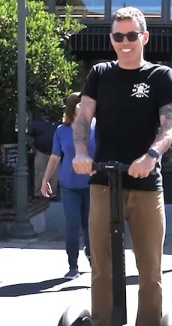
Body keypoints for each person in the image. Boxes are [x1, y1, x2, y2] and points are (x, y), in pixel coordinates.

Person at [71, 7, 172, 326]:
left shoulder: (161, 75)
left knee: (149, 268)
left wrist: (151, 154)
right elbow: (82, 117)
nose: (125, 43)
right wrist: (81, 151)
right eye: (118, 36)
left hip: (147, 184)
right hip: (104, 181)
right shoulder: (100, 74)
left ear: (144, 37)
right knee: (101, 265)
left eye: (132, 35)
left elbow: (171, 125)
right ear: (111, 39)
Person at [40, 92, 96, 280]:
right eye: (81, 104)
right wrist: (46, 179)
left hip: (92, 184)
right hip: (69, 185)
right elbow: (55, 157)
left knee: (90, 226)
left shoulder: (95, 126)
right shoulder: (61, 131)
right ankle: (73, 265)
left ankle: (93, 259)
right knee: (72, 224)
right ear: (73, 107)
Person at [28, 110, 59, 198]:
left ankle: (52, 194)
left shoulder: (56, 124)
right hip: (40, 152)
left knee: (54, 175)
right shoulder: (36, 124)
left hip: (55, 153)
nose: (47, 114)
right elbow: (29, 137)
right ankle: (38, 193)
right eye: (45, 112)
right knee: (39, 173)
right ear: (41, 113)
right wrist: (35, 150)